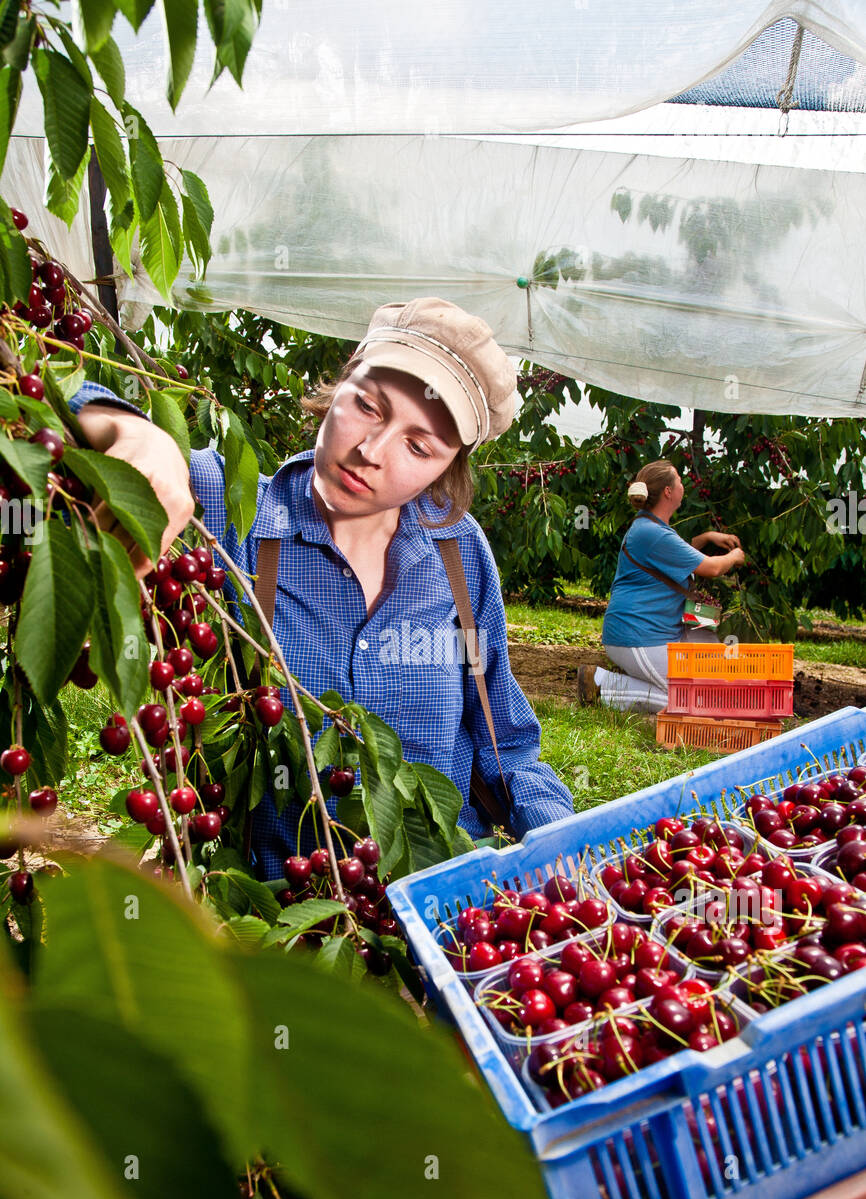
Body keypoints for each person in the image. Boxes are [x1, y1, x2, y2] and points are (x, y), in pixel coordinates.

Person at [69, 297, 574, 877]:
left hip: (442, 901)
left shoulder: (458, 553)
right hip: (282, 902)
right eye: (367, 405)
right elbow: (46, 414)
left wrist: (562, 845)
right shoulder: (236, 509)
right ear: (339, 383)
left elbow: (503, 743)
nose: (371, 452)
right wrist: (140, 436)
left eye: (419, 446)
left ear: (450, 465)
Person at [573, 460, 745, 714]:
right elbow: (711, 568)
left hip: (650, 635)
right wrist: (735, 556)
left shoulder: (651, 529)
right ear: (667, 491)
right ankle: (603, 686)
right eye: (678, 479)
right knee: (696, 701)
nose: (682, 485)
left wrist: (707, 537)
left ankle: (609, 683)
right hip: (638, 638)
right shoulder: (652, 533)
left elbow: (677, 552)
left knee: (706, 690)